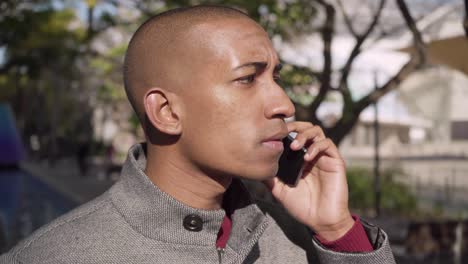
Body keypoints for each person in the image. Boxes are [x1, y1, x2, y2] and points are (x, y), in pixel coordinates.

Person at [0, 5, 395, 263]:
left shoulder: (296, 241)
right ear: (167, 111)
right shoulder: (57, 256)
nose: (285, 104)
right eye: (247, 79)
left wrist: (337, 232)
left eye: (275, 77)